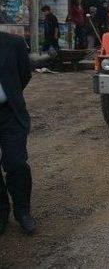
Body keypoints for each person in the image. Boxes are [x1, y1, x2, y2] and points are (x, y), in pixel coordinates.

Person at [0, 32, 36, 235]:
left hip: (10, 113)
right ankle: (1, 212)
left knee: (16, 163)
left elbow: (24, 74)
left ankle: (22, 211)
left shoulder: (13, 44)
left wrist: (8, 94)